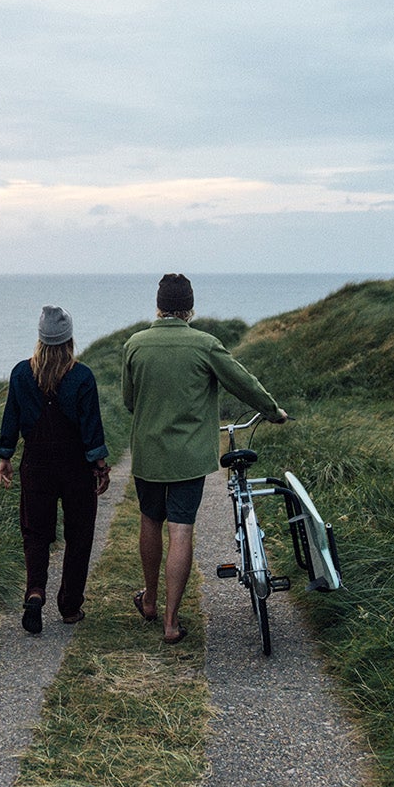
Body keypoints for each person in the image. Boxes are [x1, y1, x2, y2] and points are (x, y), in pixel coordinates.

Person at [119, 273, 288, 645]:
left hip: (148, 453)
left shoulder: (135, 345)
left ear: (159, 305)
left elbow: (129, 401)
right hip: (188, 458)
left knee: (150, 521)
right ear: (190, 308)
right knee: (180, 530)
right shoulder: (204, 344)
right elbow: (242, 382)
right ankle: (170, 622)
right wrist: (272, 410)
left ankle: (148, 600)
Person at [0, 305, 111, 635]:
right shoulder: (82, 377)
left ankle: (35, 591)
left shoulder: (21, 373)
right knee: (79, 535)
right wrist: (100, 467)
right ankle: (70, 606)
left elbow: (11, 420)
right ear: (69, 339)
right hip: (76, 468)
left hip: (35, 464)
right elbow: (92, 430)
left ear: (40, 339)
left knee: (35, 532)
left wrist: (5, 456)